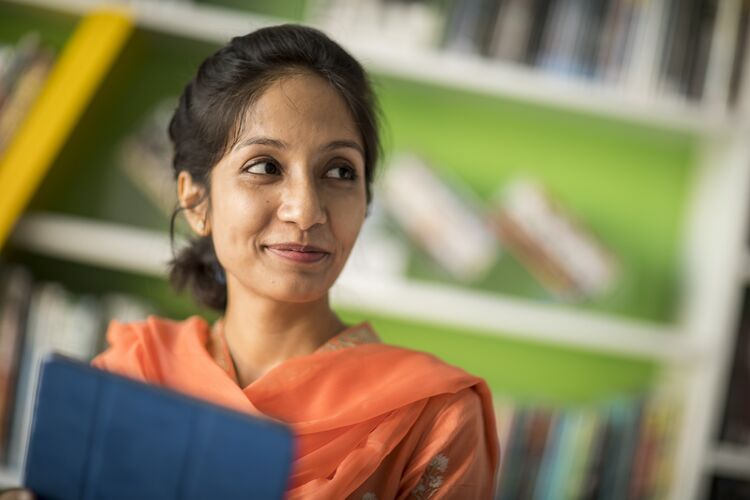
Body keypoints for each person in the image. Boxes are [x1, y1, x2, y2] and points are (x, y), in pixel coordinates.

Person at [7, 24, 499, 499]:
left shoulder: (433, 417)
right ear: (197, 200)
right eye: (264, 166)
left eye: (339, 171)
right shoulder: (129, 381)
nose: (305, 210)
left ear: (365, 201)